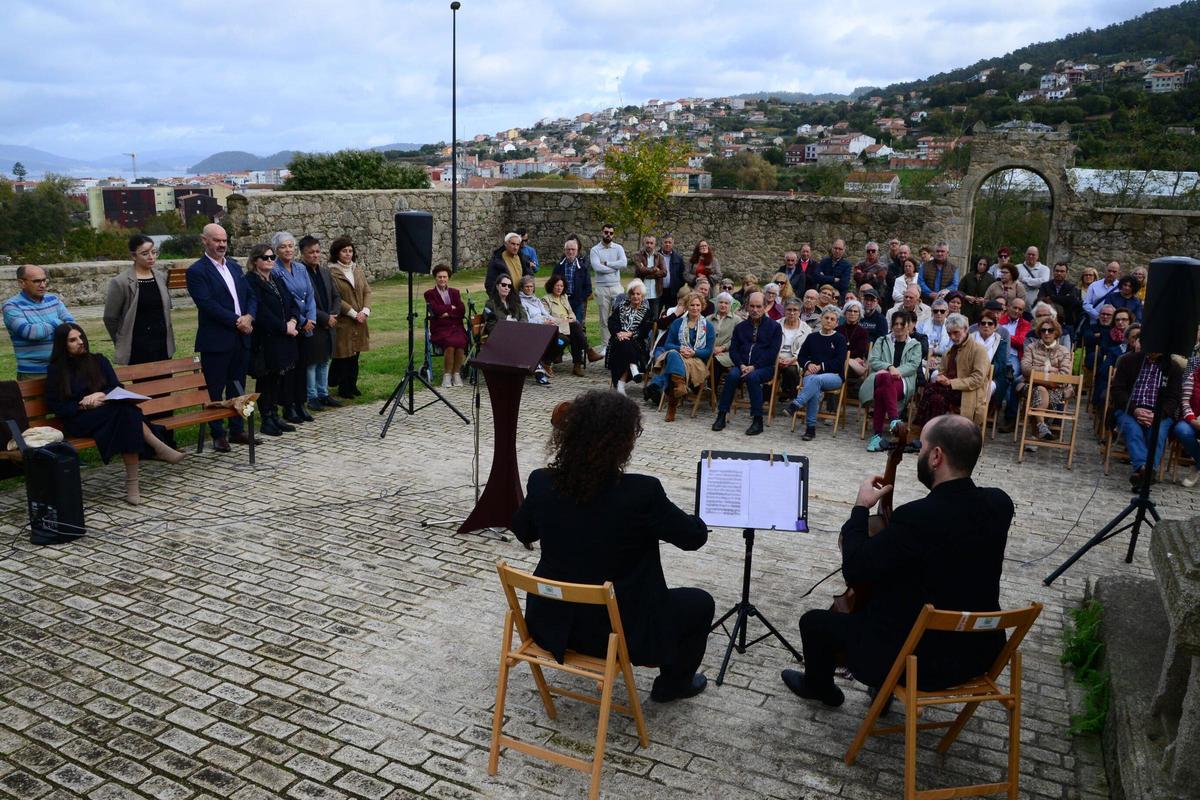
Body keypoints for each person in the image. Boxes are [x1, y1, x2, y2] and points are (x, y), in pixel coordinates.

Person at [782, 415, 1011, 706]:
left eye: (922, 446)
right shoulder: (1000, 504)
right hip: (980, 655)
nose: (919, 452)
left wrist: (860, 508)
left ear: (937, 456)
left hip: (920, 664)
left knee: (814, 622)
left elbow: (856, 569)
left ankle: (820, 688)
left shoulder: (916, 518)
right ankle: (882, 690)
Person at [512, 390, 713, 702]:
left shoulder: (542, 481)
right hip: (618, 633)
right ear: (623, 443)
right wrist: (698, 517)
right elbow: (693, 538)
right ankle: (673, 685)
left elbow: (522, 530)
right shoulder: (643, 493)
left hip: (550, 624)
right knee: (700, 603)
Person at [45, 323, 185, 505]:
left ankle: (134, 481)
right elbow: (58, 407)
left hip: (109, 413)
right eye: (73, 340)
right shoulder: (56, 371)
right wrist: (84, 405)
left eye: (81, 337)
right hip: (80, 420)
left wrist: (101, 395)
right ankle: (157, 448)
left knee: (125, 414)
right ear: (62, 345)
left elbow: (117, 387)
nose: (80, 342)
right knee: (126, 412)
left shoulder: (98, 360)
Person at [186, 223, 257, 451]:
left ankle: (238, 428)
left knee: (240, 387)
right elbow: (207, 304)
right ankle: (218, 433)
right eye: (217, 240)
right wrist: (237, 321)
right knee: (214, 389)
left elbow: (251, 296)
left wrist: (249, 317)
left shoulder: (235, 267)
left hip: (241, 337)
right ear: (204, 241)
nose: (222, 244)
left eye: (224, 240)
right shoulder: (197, 271)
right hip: (217, 340)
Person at [245, 243, 300, 437]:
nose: (270, 261)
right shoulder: (251, 281)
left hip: (283, 337)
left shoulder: (276, 279)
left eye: (271, 258)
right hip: (266, 338)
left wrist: (293, 320)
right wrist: (283, 326)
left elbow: (291, 301)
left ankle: (275, 415)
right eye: (265, 258)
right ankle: (266, 418)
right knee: (266, 378)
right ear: (255, 261)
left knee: (278, 377)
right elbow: (259, 311)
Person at [1109, 349, 1182, 487]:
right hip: (1129, 410)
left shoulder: (1173, 368)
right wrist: (1134, 409)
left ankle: (1142, 475)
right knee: (1133, 429)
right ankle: (1146, 471)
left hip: (1160, 414)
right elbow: (1117, 391)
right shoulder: (1128, 361)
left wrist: (1158, 415)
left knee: (1158, 433)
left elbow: (1173, 398)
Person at [712, 292, 781, 436]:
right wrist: (741, 365)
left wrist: (754, 366)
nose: (755, 310)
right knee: (732, 376)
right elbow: (734, 350)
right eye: (752, 306)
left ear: (764, 307)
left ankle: (757, 420)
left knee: (753, 377)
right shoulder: (741, 327)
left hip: (764, 367)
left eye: (758, 306)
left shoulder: (774, 327)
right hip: (741, 365)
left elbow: (772, 352)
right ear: (747, 307)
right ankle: (722, 415)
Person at [103, 234, 175, 366]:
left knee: (165, 381)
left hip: (161, 342)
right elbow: (110, 317)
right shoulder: (121, 282)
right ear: (133, 256)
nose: (151, 257)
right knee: (143, 385)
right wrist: (122, 339)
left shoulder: (160, 277)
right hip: (137, 345)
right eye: (145, 253)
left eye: (154, 252)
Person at [913, 313, 990, 435]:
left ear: (965, 329)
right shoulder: (949, 351)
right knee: (936, 398)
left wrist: (951, 382)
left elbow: (978, 379)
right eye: (949, 334)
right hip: (948, 391)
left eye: (956, 332)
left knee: (931, 391)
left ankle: (921, 432)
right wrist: (941, 378)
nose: (953, 337)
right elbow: (943, 371)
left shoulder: (978, 350)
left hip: (967, 392)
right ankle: (930, 434)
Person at [645, 294, 714, 421]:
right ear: (687, 306)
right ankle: (680, 385)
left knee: (672, 369)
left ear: (702, 306)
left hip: (696, 360)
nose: (695, 308)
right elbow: (668, 345)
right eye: (692, 305)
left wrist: (694, 352)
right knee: (672, 354)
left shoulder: (707, 326)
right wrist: (680, 348)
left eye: (697, 305)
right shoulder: (677, 323)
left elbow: (708, 350)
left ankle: (672, 407)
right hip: (678, 356)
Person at [271, 231, 316, 424]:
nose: (288, 250)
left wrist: (311, 319)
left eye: (290, 246)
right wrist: (302, 320)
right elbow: (287, 300)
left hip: (307, 325)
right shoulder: (274, 270)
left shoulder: (300, 268)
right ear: (276, 250)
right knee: (289, 369)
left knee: (303, 367)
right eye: (283, 246)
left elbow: (311, 296)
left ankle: (301, 403)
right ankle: (288, 407)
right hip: (292, 324)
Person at [862, 309, 922, 452]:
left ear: (909, 326)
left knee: (882, 390)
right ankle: (895, 420)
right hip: (881, 378)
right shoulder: (882, 341)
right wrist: (889, 367)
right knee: (884, 377)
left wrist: (897, 371)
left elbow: (913, 366)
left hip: (903, 382)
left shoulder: (916, 345)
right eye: (895, 324)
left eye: (902, 324)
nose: (898, 327)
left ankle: (877, 436)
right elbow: (874, 361)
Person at [4, 265, 75, 380]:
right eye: (36, 281)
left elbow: (72, 326)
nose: (42, 285)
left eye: (44, 280)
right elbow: (31, 332)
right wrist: (57, 323)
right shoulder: (12, 306)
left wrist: (43, 328)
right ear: (21, 283)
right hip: (34, 373)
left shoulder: (53, 300)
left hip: (63, 367)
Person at [787, 306, 847, 440]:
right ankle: (810, 429)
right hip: (812, 374)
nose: (829, 321)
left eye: (832, 319)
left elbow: (839, 362)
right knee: (814, 387)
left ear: (837, 323)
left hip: (834, 377)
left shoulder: (840, 339)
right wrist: (809, 364)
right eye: (826, 318)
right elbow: (802, 356)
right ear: (821, 319)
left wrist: (820, 367)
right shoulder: (812, 337)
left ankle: (797, 404)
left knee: (815, 381)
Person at [299, 235, 342, 409]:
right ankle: (312, 396)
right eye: (311, 252)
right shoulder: (300, 272)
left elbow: (336, 295)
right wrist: (325, 318)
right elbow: (302, 302)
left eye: (317, 251)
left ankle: (324, 393)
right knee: (312, 363)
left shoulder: (325, 271)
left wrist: (334, 314)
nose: (315, 255)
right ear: (302, 253)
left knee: (325, 360)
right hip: (313, 324)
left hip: (329, 323)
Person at [328, 236, 371, 399]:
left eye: (350, 251)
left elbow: (367, 291)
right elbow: (336, 297)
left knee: (356, 354)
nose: (348, 254)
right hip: (345, 320)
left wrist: (365, 311)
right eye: (344, 251)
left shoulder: (357, 270)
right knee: (344, 354)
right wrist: (353, 313)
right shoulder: (331, 272)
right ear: (337, 253)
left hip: (360, 320)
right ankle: (342, 386)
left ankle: (352, 385)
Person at [1021, 317, 1073, 441]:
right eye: (1043, 330)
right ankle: (1041, 427)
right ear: (1039, 332)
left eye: (1050, 330)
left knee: (1040, 391)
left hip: (1056, 389)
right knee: (1039, 390)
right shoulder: (1031, 347)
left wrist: (1037, 373)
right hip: (1032, 386)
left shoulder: (1064, 351)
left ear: (1056, 333)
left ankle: (1035, 434)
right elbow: (1025, 368)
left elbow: (1065, 375)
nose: (1046, 333)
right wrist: (1047, 370)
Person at [543, 274, 601, 377]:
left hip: (569, 327)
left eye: (561, 286)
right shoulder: (546, 299)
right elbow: (546, 318)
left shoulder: (564, 297)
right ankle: (587, 353)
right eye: (557, 285)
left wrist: (571, 318)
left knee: (575, 331)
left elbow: (571, 312)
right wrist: (564, 320)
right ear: (552, 286)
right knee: (576, 329)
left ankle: (578, 364)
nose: (559, 288)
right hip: (557, 329)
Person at [424, 264, 469, 388]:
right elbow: (435, 310)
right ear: (435, 278)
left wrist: (446, 313)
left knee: (460, 343)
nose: (442, 279)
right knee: (449, 343)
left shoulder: (455, 292)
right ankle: (447, 375)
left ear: (448, 278)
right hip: (440, 328)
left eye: (444, 277)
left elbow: (461, 310)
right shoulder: (429, 294)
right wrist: (451, 308)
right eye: (439, 277)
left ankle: (456, 374)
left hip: (456, 326)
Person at [606, 279, 653, 394]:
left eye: (638, 294)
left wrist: (631, 334)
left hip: (636, 341)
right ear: (629, 295)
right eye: (633, 293)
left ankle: (620, 385)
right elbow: (612, 322)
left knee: (626, 345)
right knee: (623, 344)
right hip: (618, 339)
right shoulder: (621, 306)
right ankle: (633, 366)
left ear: (642, 296)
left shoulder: (646, 311)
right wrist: (618, 333)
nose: (635, 296)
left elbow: (644, 330)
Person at [589, 224, 627, 355]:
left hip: (617, 287)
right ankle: (605, 345)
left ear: (613, 234)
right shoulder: (595, 250)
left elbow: (624, 263)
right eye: (606, 232)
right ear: (602, 232)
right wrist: (614, 268)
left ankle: (618, 343)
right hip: (601, 288)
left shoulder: (618, 248)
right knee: (604, 319)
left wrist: (608, 264)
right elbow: (597, 267)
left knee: (619, 318)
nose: (608, 235)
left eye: (611, 233)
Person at [517, 274, 558, 386]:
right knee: (555, 337)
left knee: (559, 335)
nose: (529, 289)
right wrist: (543, 322)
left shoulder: (536, 300)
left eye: (531, 286)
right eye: (527, 287)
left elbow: (545, 313)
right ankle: (541, 366)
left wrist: (553, 320)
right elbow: (527, 320)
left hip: (544, 326)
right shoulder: (521, 301)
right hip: (532, 329)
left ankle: (546, 362)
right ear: (522, 288)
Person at [775, 298, 812, 404]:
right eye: (789, 309)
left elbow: (804, 348)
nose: (792, 313)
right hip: (776, 357)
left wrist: (792, 359)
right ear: (784, 311)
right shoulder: (775, 325)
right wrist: (777, 357)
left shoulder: (806, 329)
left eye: (795, 310)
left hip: (795, 359)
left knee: (791, 370)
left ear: (800, 312)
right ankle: (766, 399)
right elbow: (770, 344)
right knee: (770, 369)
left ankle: (793, 397)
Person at [1170, 359, 1200, 488]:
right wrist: (1192, 419)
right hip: (1190, 419)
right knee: (1182, 431)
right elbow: (1185, 402)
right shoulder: (1192, 378)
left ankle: (1197, 467)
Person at [551, 234, 592, 327]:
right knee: (562, 326)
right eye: (568, 249)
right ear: (564, 251)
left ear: (577, 251)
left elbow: (588, 288)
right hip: (561, 301)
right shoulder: (558, 267)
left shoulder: (583, 268)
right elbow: (551, 285)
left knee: (577, 327)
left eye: (573, 249)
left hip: (577, 302)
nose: (570, 252)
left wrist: (580, 299)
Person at [1037, 261, 1082, 340]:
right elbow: (1040, 300)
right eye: (1057, 271)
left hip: (1067, 323)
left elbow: (1071, 301)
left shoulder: (1071, 287)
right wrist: (1063, 299)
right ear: (1053, 272)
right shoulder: (1045, 286)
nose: (1059, 273)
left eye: (1062, 271)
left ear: (1066, 273)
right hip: (1047, 324)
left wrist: (1052, 297)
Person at [633, 234, 667, 323]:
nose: (649, 245)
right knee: (640, 319)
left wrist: (647, 272)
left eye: (651, 243)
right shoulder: (637, 255)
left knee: (654, 319)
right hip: (641, 293)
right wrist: (655, 269)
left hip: (656, 293)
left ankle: (652, 337)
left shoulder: (660, 256)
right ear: (644, 243)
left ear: (655, 244)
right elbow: (640, 271)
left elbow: (664, 272)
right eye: (647, 243)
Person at [709, 292, 738, 386]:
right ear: (716, 303)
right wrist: (712, 349)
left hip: (728, 353)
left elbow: (737, 340)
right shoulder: (708, 319)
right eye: (720, 302)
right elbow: (702, 337)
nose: (723, 305)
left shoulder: (737, 320)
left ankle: (712, 391)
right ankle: (697, 388)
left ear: (730, 305)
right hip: (710, 351)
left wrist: (722, 348)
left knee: (715, 361)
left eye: (726, 303)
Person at [838, 300, 870, 379]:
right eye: (850, 311)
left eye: (856, 311)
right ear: (845, 313)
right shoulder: (837, 330)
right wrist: (849, 359)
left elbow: (860, 351)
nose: (852, 313)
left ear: (859, 314)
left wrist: (848, 359)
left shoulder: (863, 332)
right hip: (840, 362)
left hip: (856, 364)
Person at [959, 256, 995, 325]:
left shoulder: (991, 279)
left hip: (982, 310)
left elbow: (993, 296)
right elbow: (960, 290)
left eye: (984, 265)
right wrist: (966, 296)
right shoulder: (968, 276)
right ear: (977, 264)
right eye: (980, 264)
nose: (982, 266)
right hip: (967, 308)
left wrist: (984, 300)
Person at [659, 233, 687, 309]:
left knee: (671, 315)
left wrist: (677, 287)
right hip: (658, 291)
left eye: (669, 242)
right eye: (665, 242)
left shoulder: (678, 258)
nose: (667, 244)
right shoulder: (656, 256)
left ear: (672, 244)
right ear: (662, 243)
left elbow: (682, 275)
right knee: (655, 315)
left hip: (672, 293)